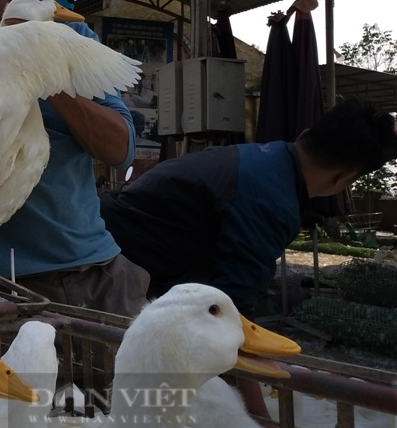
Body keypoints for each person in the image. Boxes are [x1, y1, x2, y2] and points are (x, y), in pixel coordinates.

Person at [0, 0, 150, 319]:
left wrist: (46, 70)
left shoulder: (74, 40)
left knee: (113, 385)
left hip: (87, 274)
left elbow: (119, 149)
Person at [100, 97, 397, 315]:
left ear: (304, 134)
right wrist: (257, 402)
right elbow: (230, 310)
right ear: (344, 178)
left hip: (109, 239)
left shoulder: (264, 159)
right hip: (106, 276)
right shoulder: (272, 202)